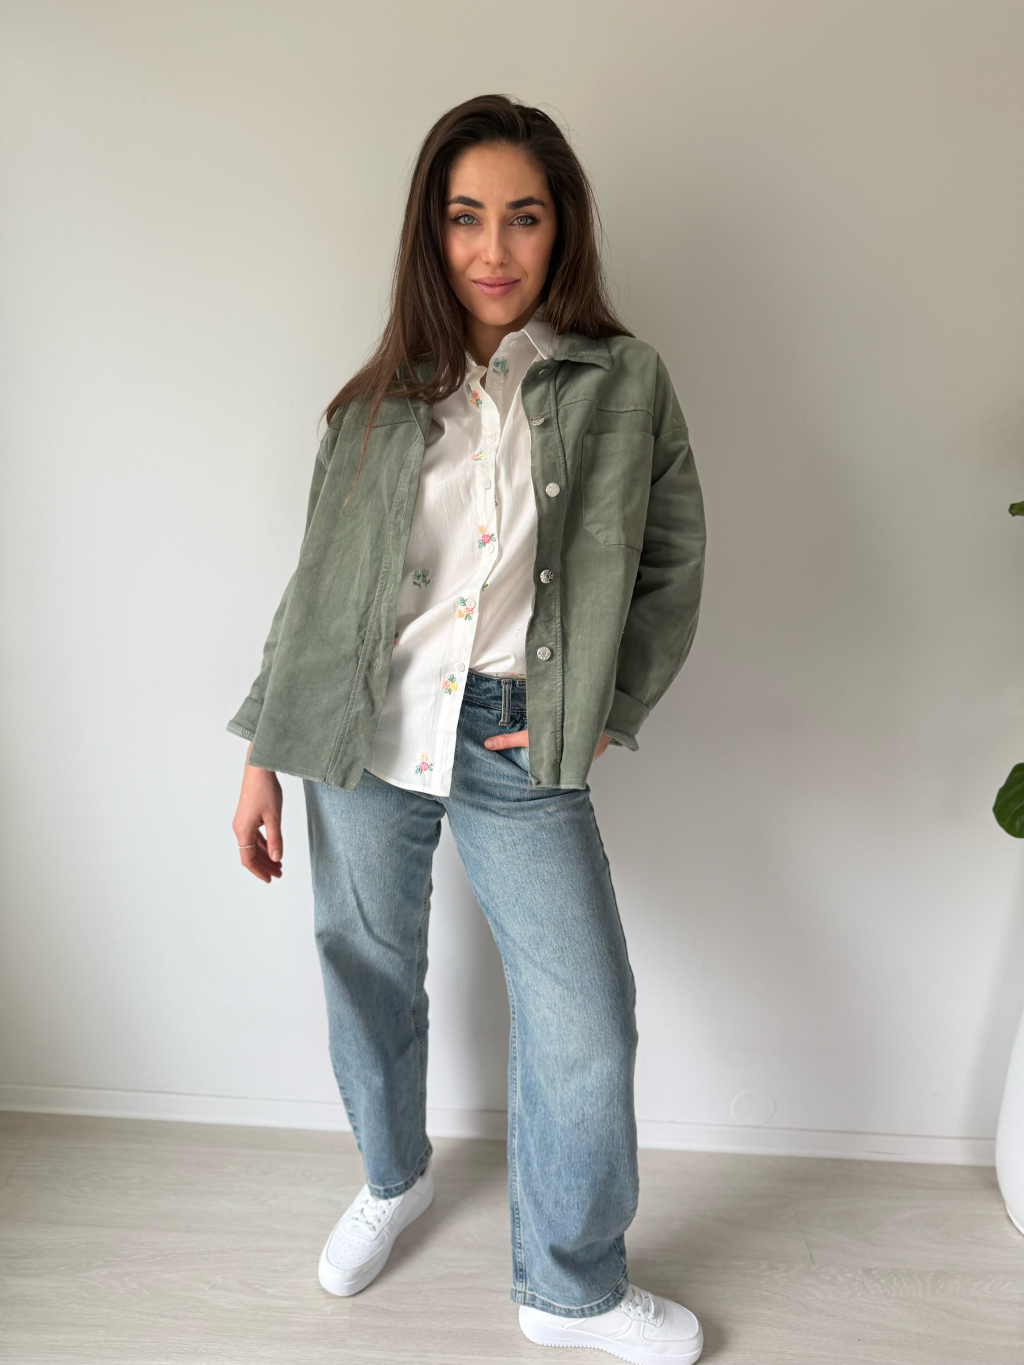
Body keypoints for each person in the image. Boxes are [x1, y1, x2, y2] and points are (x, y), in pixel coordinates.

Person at [228, 94, 706, 1365]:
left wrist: (602, 713)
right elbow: (317, 593)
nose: (493, 248)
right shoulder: (375, 404)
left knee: (586, 1018)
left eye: (523, 217)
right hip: (357, 728)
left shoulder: (623, 383)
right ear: (429, 234)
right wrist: (263, 756)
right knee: (367, 966)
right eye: (464, 217)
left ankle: (568, 1288)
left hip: (514, 737)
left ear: (562, 231)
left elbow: (670, 563)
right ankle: (392, 1178)